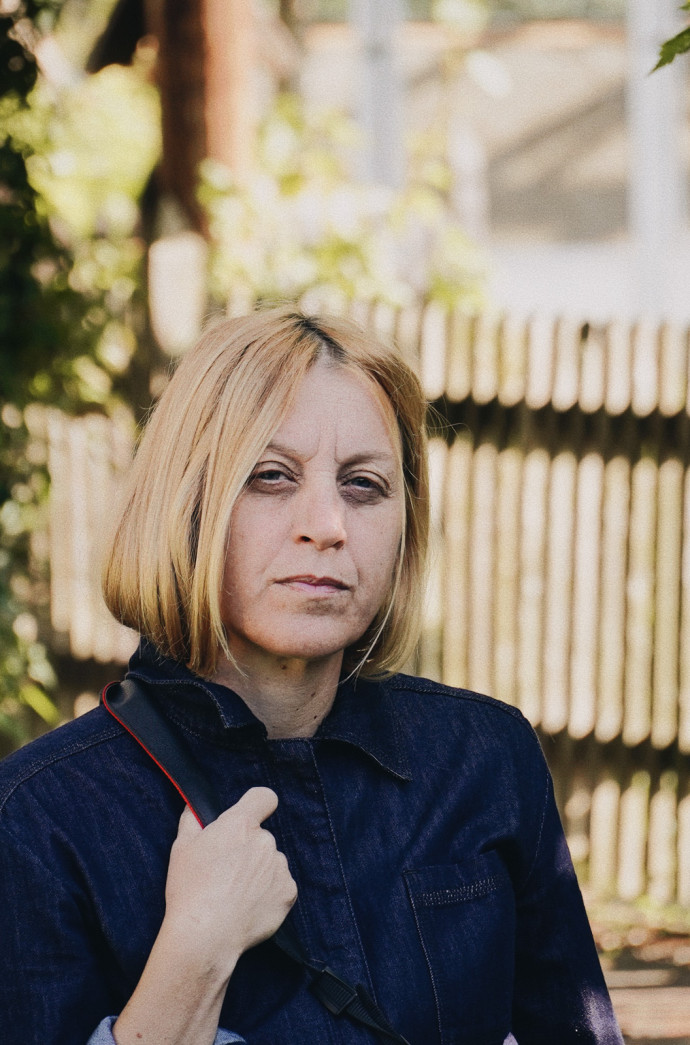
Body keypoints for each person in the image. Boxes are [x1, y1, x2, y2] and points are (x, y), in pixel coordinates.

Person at [0, 307, 623, 1045]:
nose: (327, 524)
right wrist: (195, 953)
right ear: (184, 504)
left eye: (364, 484)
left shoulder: (484, 758)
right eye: (271, 476)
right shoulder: (39, 820)